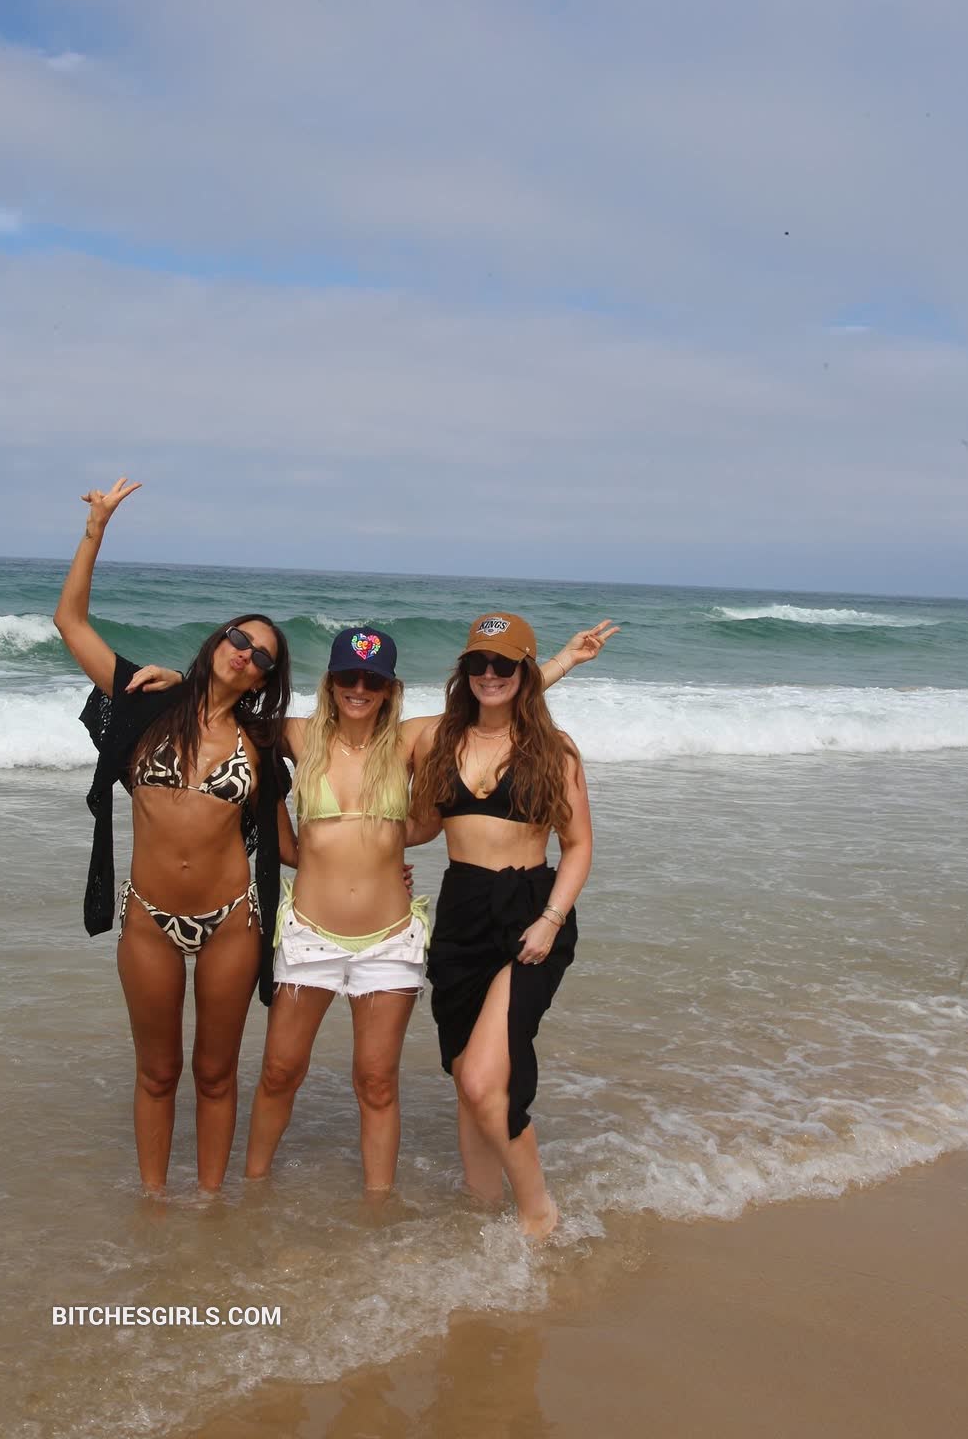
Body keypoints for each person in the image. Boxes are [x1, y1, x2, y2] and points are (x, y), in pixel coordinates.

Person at [141, 620, 616, 1195]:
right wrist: (182, 683)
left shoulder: (411, 741)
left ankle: (377, 1209)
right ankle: (253, 1192)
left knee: (376, 1082)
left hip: (390, 937)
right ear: (331, 681)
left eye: (373, 679)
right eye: (348, 676)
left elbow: (493, 699)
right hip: (309, 932)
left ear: (391, 688)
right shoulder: (297, 735)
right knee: (280, 1072)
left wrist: (561, 662)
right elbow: (223, 706)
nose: (359, 688)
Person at [53, 478, 294, 1193]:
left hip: (231, 923)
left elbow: (292, 837)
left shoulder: (262, 741)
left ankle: (212, 1206)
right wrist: (95, 530)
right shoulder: (145, 701)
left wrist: (378, 861)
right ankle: (155, 1206)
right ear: (218, 641)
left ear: (264, 680)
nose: (245, 654)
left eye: (261, 656)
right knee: (157, 1073)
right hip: (148, 920)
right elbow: (70, 622)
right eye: (239, 639)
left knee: (216, 1075)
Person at [409, 612, 593, 1239]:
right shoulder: (439, 740)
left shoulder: (554, 749)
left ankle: (538, 1213)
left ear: (524, 671)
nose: (489, 674)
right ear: (464, 670)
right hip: (461, 910)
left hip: (529, 912)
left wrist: (550, 919)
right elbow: (420, 824)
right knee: (465, 1075)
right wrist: (355, 844)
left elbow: (579, 845)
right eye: (477, 663)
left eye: (504, 664)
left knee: (487, 1079)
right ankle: (480, 1204)